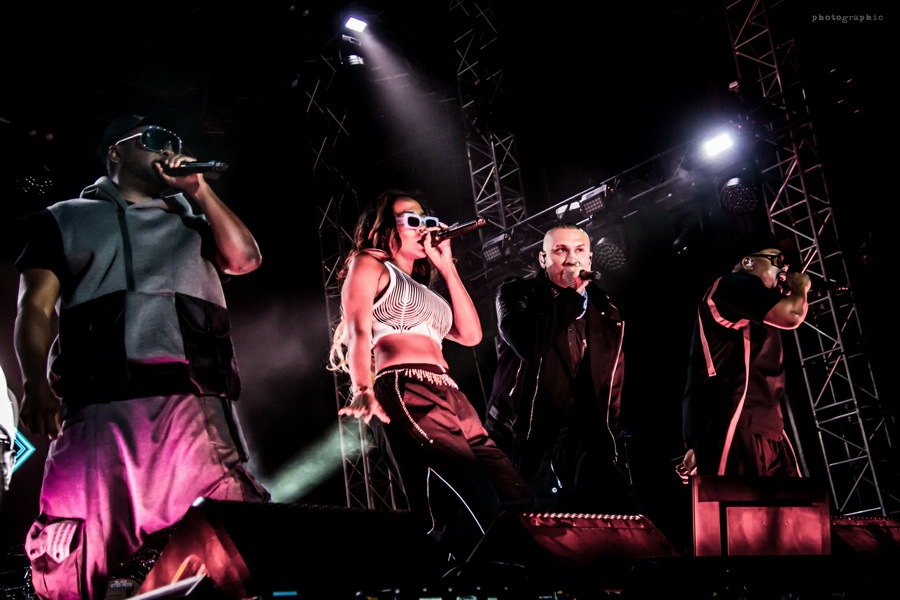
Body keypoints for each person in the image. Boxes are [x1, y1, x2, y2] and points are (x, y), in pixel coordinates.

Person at [13, 111, 270, 600]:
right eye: (153, 139)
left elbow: (245, 259)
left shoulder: (195, 220)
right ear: (117, 151)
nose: (168, 148)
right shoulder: (62, 218)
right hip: (99, 404)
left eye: (173, 140)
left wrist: (198, 190)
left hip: (190, 398)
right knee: (75, 541)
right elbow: (36, 309)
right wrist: (34, 384)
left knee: (229, 531)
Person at [328, 189, 533, 564]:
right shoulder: (370, 264)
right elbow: (357, 329)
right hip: (406, 383)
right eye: (412, 220)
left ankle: (503, 565)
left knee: (511, 488)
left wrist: (447, 266)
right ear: (386, 228)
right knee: (471, 486)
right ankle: (489, 571)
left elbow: (470, 335)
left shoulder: (425, 290)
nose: (423, 227)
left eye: (427, 219)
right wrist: (363, 387)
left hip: (450, 391)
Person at [484, 223, 635, 514]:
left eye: (579, 250)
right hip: (523, 434)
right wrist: (570, 296)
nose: (571, 259)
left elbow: (611, 380)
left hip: (580, 437)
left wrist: (609, 433)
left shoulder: (606, 309)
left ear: (589, 258)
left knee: (614, 512)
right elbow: (529, 344)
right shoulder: (517, 293)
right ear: (543, 259)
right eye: (561, 251)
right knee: (531, 522)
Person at [677, 230, 811, 481]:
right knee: (740, 504)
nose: (784, 270)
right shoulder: (732, 285)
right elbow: (792, 315)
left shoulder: (758, 304)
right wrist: (801, 286)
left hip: (768, 424)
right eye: (777, 261)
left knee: (795, 504)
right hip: (735, 421)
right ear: (749, 262)